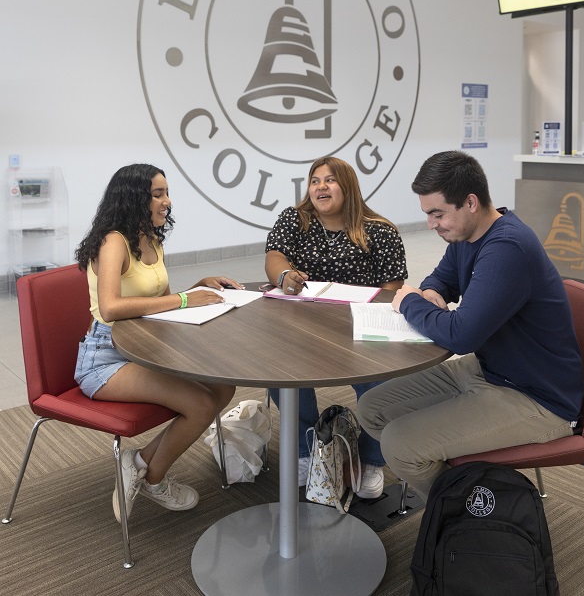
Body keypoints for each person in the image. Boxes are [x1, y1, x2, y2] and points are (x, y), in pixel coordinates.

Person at [357, 150, 584, 501]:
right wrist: (431, 292)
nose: (431, 224)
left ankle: (472, 518)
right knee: (372, 409)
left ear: (471, 202)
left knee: (400, 444)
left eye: (437, 213)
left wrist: (410, 301)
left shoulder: (508, 248)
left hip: (536, 398)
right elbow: (441, 279)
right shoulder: (467, 235)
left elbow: (461, 334)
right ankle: (464, 481)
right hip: (490, 369)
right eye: (427, 214)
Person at [74, 164, 241, 522]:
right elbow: (111, 307)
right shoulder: (114, 241)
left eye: (167, 193)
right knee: (199, 404)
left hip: (146, 348)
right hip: (105, 359)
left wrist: (198, 287)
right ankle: (154, 477)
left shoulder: (151, 239)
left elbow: (160, 300)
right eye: (158, 194)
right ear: (136, 197)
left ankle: (137, 462)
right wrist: (183, 300)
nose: (167, 201)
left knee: (224, 386)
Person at [264, 156, 408, 498]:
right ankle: (306, 450)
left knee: (381, 388)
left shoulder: (379, 231)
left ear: (348, 187)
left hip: (359, 329)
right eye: (315, 181)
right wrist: (285, 277)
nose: (320, 187)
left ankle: (371, 460)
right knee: (279, 377)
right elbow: (274, 256)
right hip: (304, 326)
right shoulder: (295, 219)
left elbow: (392, 289)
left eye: (329, 180)